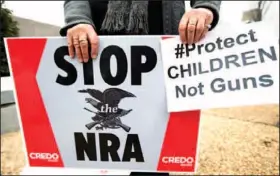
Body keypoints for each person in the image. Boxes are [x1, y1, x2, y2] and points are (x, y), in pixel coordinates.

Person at [60, 1, 221, 175]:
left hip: (161, 42)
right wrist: (77, 19)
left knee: (151, 154)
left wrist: (205, 7)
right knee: (94, 155)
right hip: (95, 41)